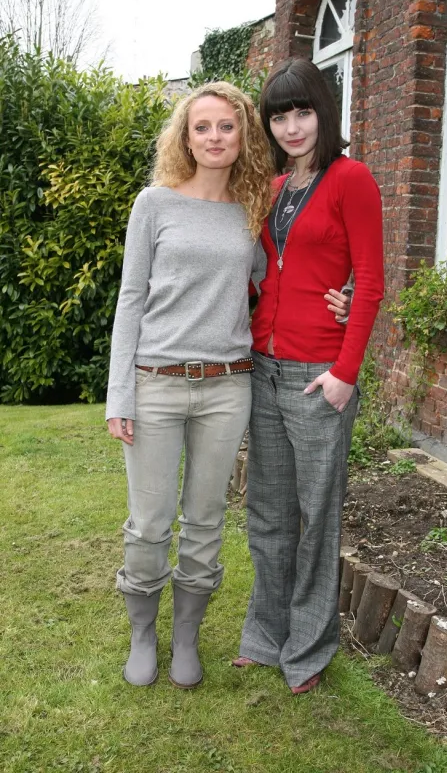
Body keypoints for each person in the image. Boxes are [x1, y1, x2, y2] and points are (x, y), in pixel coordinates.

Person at [106, 81, 275, 689]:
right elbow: (130, 301)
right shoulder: (153, 203)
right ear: (185, 135)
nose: (213, 138)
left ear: (243, 136)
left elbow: (272, 282)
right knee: (149, 522)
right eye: (202, 127)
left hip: (227, 387)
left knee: (205, 521)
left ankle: (187, 638)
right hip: (156, 383)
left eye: (226, 127)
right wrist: (118, 394)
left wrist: (343, 298)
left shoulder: (252, 210)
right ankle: (144, 633)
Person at [233, 58, 385, 695]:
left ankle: (309, 650)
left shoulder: (351, 179)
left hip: (318, 376)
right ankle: (265, 637)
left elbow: (371, 281)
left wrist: (345, 373)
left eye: (302, 112)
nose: (291, 126)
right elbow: (260, 270)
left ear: (324, 112)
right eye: (279, 116)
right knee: (267, 514)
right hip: (264, 369)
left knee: (316, 516)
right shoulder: (270, 185)